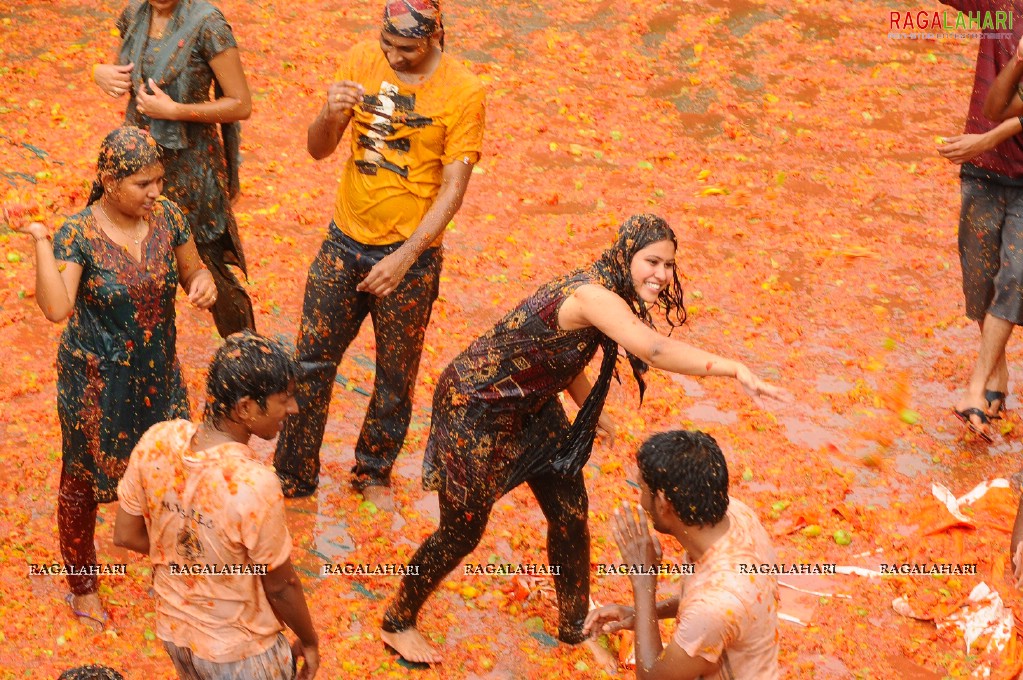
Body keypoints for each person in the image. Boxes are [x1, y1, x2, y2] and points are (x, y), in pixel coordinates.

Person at [379, 214, 787, 663]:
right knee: (462, 533)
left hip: (534, 408)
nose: (661, 275)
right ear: (626, 256)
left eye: (669, 265)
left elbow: (553, 351)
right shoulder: (593, 294)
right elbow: (651, 348)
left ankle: (574, 623)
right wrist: (733, 368)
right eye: (652, 262)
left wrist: (590, 408)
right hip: (476, 410)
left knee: (571, 513)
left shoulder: (610, 290)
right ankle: (398, 621)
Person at [273, 0, 486, 509]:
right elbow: (318, 149)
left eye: (406, 49)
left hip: (408, 256)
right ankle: (294, 475)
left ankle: (373, 471)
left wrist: (407, 257)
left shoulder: (464, 91)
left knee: (395, 373)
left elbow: (453, 189)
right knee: (309, 362)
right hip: (343, 241)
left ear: (435, 38)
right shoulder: (362, 59)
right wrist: (327, 113)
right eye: (387, 44)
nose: (393, 56)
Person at [3, 126, 216, 629]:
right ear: (109, 181)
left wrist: (203, 284)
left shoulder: (168, 219)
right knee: (81, 481)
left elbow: (194, 271)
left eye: (159, 180)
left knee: (174, 477)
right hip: (96, 384)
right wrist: (40, 241)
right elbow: (57, 308)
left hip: (158, 374)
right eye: (143, 184)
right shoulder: (79, 234)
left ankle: (173, 572)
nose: (155, 193)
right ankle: (83, 586)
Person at [114, 332, 319, 679]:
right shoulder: (253, 485)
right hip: (240, 651)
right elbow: (281, 585)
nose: (293, 409)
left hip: (176, 634)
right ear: (245, 409)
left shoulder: (157, 441)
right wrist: (309, 640)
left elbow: (125, 533)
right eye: (283, 400)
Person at [92, 0, 255, 337]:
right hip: (135, 164)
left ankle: (248, 360)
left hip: (191, 173)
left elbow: (240, 104)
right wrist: (100, 73)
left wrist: (176, 110)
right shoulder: (135, 13)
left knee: (208, 269)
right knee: (117, 257)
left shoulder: (209, 24)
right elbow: (124, 70)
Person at [584, 430, 779, 679]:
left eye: (641, 489)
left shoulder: (716, 605)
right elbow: (697, 601)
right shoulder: (737, 516)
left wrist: (644, 581)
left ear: (664, 503)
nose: (641, 502)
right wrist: (641, 614)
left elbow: (652, 677)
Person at [934, 1, 1023, 440]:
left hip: (1001, 160)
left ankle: (976, 386)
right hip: (984, 167)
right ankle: (997, 375)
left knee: (1016, 276)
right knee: (980, 279)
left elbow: (1006, 112)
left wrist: (984, 138)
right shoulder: (1000, 8)